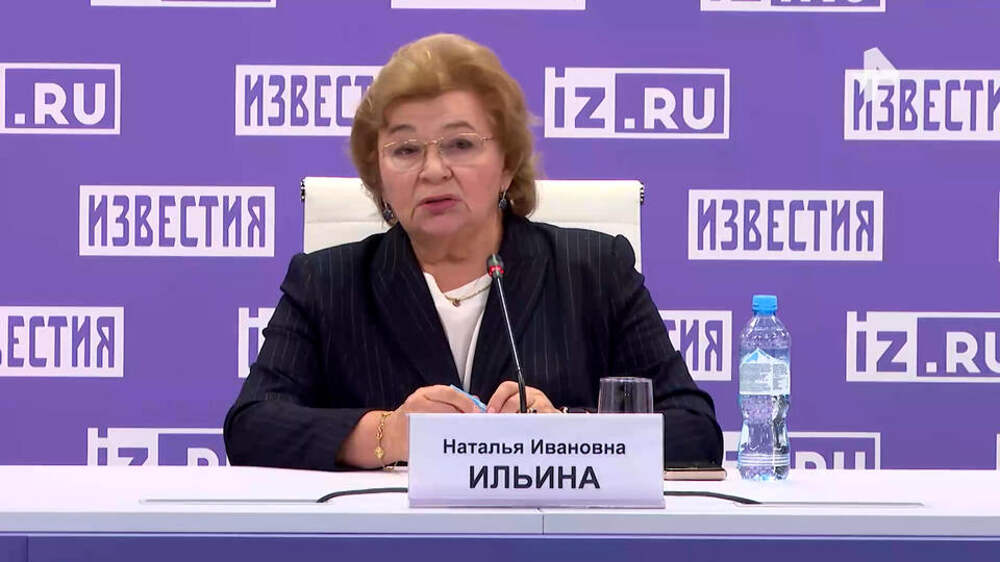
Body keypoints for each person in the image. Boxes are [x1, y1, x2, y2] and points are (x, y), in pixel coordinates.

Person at [224, 33, 722, 470]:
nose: (433, 170)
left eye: (460, 145)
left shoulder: (593, 271)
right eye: (406, 150)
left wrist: (569, 433)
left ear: (507, 164)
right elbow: (251, 426)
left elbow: (695, 431)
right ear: (378, 176)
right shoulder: (328, 283)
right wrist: (388, 434)